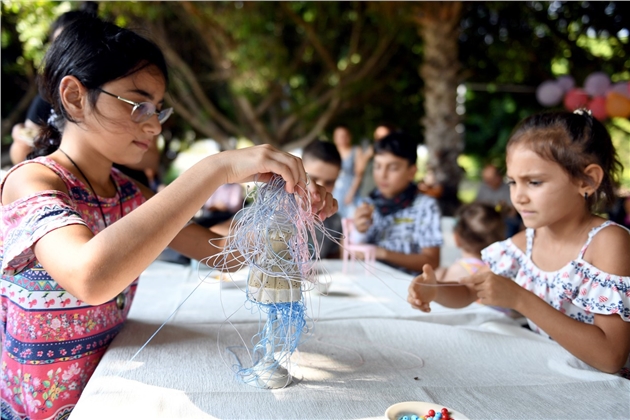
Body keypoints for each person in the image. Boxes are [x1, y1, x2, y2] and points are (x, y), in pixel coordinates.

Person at [0, 17, 336, 419]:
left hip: (106, 392)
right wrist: (214, 170)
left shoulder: (126, 191)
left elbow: (222, 254)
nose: (154, 124)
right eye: (137, 104)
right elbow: (89, 277)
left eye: (158, 109)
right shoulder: (31, 181)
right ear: (74, 97)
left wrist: (281, 211)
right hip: (38, 410)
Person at [408, 110, 630, 376]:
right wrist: (435, 289)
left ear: (587, 180)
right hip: (552, 376)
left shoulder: (607, 243)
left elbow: (610, 358)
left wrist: (520, 299)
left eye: (534, 182)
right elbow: (469, 291)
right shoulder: (523, 244)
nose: (519, 197)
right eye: (512, 182)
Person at [350, 132, 442, 275]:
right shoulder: (367, 204)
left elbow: (432, 261)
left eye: (393, 168)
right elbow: (348, 252)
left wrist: (382, 253)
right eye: (377, 166)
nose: (383, 174)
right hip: (369, 281)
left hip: (408, 288)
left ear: (412, 172)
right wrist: (358, 230)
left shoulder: (425, 206)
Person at [302, 139, 343, 259]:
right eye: (313, 179)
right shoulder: (269, 210)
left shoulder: (334, 221)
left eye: (329, 182)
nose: (321, 188)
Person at [474, 162, 522, 237]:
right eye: (486, 180)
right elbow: (477, 204)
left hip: (504, 219)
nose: (487, 183)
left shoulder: (509, 189)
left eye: (490, 180)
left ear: (498, 177)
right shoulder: (483, 187)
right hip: (486, 218)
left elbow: (513, 213)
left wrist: (504, 209)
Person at [331, 126, 364, 219]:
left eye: (344, 135)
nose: (342, 138)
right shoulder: (332, 151)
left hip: (350, 189)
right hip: (335, 190)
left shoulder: (356, 150)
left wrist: (351, 193)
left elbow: (359, 174)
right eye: (339, 136)